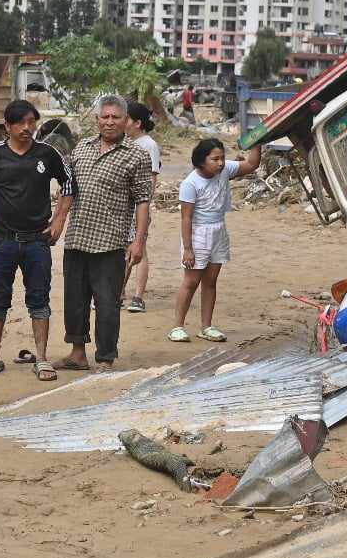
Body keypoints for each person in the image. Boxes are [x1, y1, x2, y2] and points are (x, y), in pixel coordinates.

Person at [0, 99, 73, 382]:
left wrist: (59, 219)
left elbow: (69, 184)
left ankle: (43, 358)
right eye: (20, 123)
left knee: (39, 299)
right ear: (7, 126)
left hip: (38, 241)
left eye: (31, 122)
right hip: (1, 241)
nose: (27, 128)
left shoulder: (48, 154)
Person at [59, 95, 152, 370]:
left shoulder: (137, 155)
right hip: (77, 237)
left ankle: (105, 359)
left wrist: (138, 241)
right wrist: (57, 222)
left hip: (111, 242)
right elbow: (68, 192)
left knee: (107, 304)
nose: (109, 122)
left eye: (116, 117)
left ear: (126, 121)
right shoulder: (81, 149)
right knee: (74, 301)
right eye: (105, 117)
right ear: (96, 119)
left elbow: (143, 200)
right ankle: (77, 353)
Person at [169, 137, 262, 343]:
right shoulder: (190, 183)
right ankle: (177, 326)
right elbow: (186, 218)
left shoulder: (225, 170)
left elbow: (252, 164)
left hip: (219, 230)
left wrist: (257, 141)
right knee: (191, 281)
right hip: (198, 233)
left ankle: (206, 326)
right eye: (214, 159)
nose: (220, 163)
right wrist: (188, 248)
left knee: (210, 281)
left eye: (222, 158)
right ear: (201, 161)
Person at [124, 102, 162, 313]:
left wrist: (143, 209)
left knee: (140, 250)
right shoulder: (129, 142)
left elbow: (151, 178)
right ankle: (119, 293)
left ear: (137, 123)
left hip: (139, 207)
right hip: (126, 207)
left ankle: (138, 296)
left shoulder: (148, 145)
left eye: (126, 119)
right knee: (126, 251)